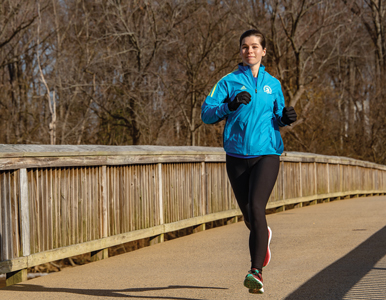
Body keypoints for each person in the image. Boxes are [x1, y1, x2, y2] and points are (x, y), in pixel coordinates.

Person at [201, 29, 297, 294]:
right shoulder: (228, 82)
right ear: (240, 51)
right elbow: (206, 114)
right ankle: (263, 236)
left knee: (257, 206)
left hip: (267, 152)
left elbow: (277, 116)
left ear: (264, 51)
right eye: (245, 47)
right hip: (236, 156)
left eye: (255, 46)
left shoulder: (273, 84)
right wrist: (229, 105)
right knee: (249, 216)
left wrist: (285, 119)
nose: (250, 51)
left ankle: (256, 272)